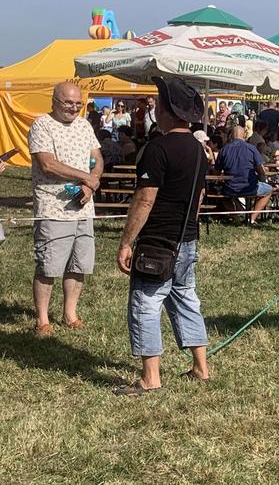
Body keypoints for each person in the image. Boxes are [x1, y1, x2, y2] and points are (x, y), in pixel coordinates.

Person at [115, 76, 209, 395]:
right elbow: (198, 198)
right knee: (186, 299)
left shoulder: (157, 148)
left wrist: (126, 241)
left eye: (158, 102)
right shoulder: (199, 149)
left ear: (168, 111)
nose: (154, 107)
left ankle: (150, 378)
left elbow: (145, 198)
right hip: (187, 237)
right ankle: (201, 367)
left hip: (157, 241)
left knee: (145, 302)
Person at [28, 82, 104, 338]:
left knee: (79, 264)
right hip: (54, 206)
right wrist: (87, 177)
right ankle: (42, 319)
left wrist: (91, 184)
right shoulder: (41, 125)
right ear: (55, 101)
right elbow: (48, 165)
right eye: (68, 102)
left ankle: (70, 314)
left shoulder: (84, 125)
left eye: (77, 103)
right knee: (49, 265)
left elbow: (97, 158)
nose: (73, 108)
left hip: (84, 206)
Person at [214, 126, 274, 224]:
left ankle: (236, 216)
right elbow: (261, 171)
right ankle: (252, 218)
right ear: (244, 135)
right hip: (249, 187)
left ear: (231, 136)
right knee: (269, 190)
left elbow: (216, 172)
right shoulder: (251, 149)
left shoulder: (224, 149)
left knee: (222, 193)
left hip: (230, 188)